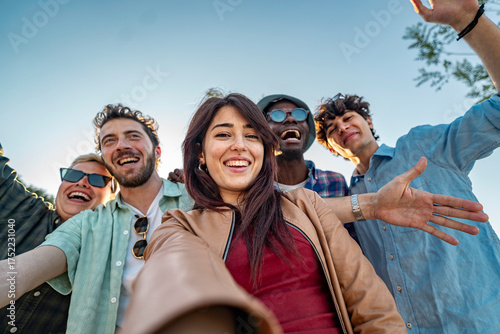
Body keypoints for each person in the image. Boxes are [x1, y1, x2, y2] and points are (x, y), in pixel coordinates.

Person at [121, 93, 487, 334]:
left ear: (265, 151)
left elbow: (371, 305)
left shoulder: (308, 204)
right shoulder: (179, 224)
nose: (239, 145)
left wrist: (372, 204)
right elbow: (171, 281)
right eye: (223, 134)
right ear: (200, 153)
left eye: (251, 136)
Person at [314, 0, 500, 332]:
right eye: (331, 130)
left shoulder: (422, 146)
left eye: (348, 117)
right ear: (332, 147)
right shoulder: (347, 199)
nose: (341, 127)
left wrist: (469, 21)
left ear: (368, 120)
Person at [0, 105, 193, 333]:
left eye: (133, 136)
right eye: (109, 141)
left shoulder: (199, 198)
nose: (121, 145)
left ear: (158, 151)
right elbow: (16, 273)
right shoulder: (86, 225)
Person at [0, 143, 115, 333]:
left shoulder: (115, 256)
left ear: (113, 198)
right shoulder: (23, 208)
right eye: (73, 175)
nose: (82, 182)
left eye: (97, 179)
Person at [257, 94, 358, 240]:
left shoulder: (335, 182)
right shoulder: (253, 188)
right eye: (277, 115)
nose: (291, 119)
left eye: (299, 114)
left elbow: (352, 241)